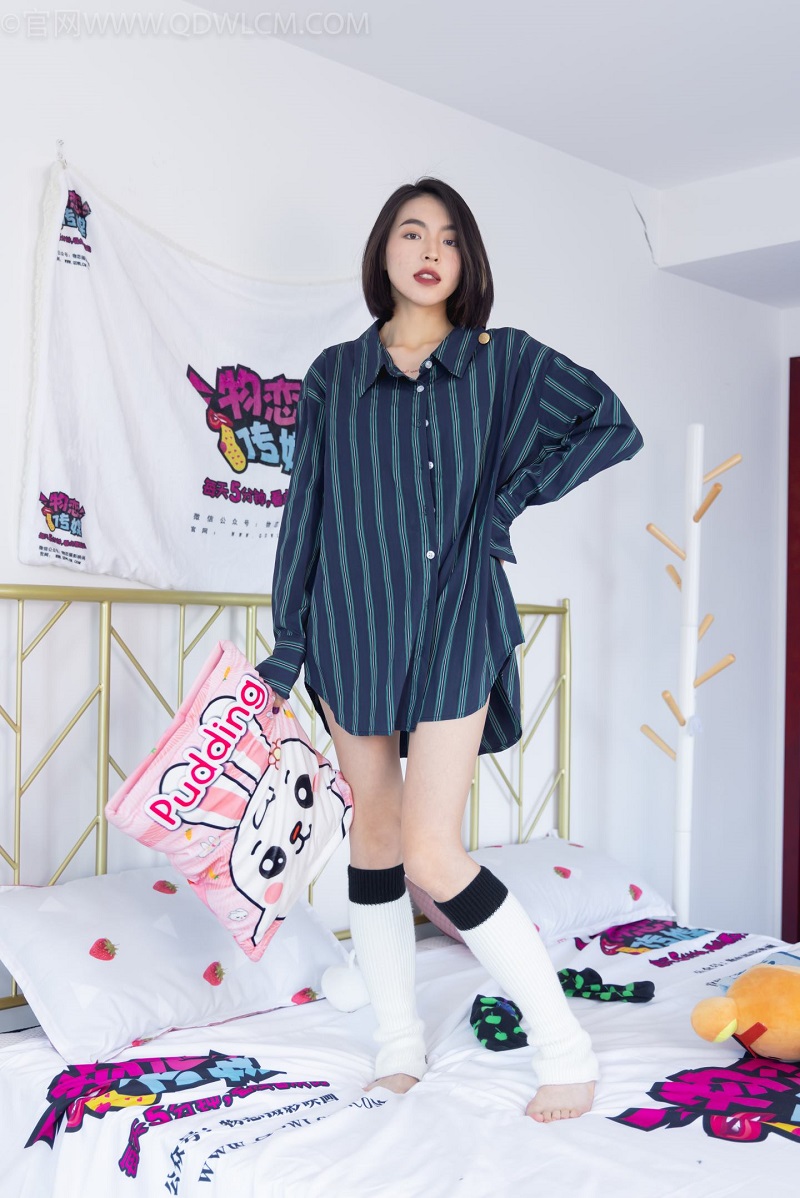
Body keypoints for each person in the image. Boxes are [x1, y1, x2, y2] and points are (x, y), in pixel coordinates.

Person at [257, 178, 644, 1123]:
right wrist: (287, 649)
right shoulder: (334, 375)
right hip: (353, 622)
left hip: (459, 616)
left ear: (466, 260)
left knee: (431, 849)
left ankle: (563, 1045)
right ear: (383, 252)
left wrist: (504, 502)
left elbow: (611, 423)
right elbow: (305, 514)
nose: (430, 251)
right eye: (411, 232)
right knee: (375, 834)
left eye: (449, 238)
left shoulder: (500, 361)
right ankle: (398, 1042)